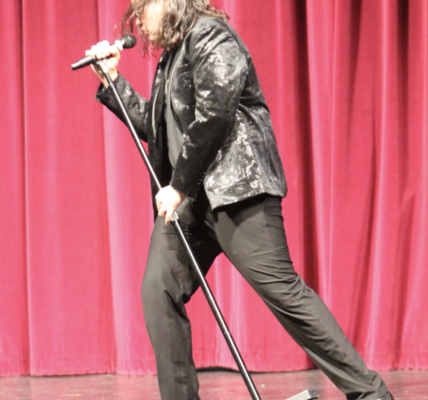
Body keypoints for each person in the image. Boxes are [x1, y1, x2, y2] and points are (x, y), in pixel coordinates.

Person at [86, 1, 394, 399]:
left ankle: (370, 393)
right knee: (158, 290)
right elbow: (157, 131)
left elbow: (215, 114)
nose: (140, 23)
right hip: (191, 204)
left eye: (143, 9)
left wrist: (177, 186)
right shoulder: (170, 59)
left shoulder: (211, 35)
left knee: (283, 294)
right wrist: (113, 80)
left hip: (237, 189)